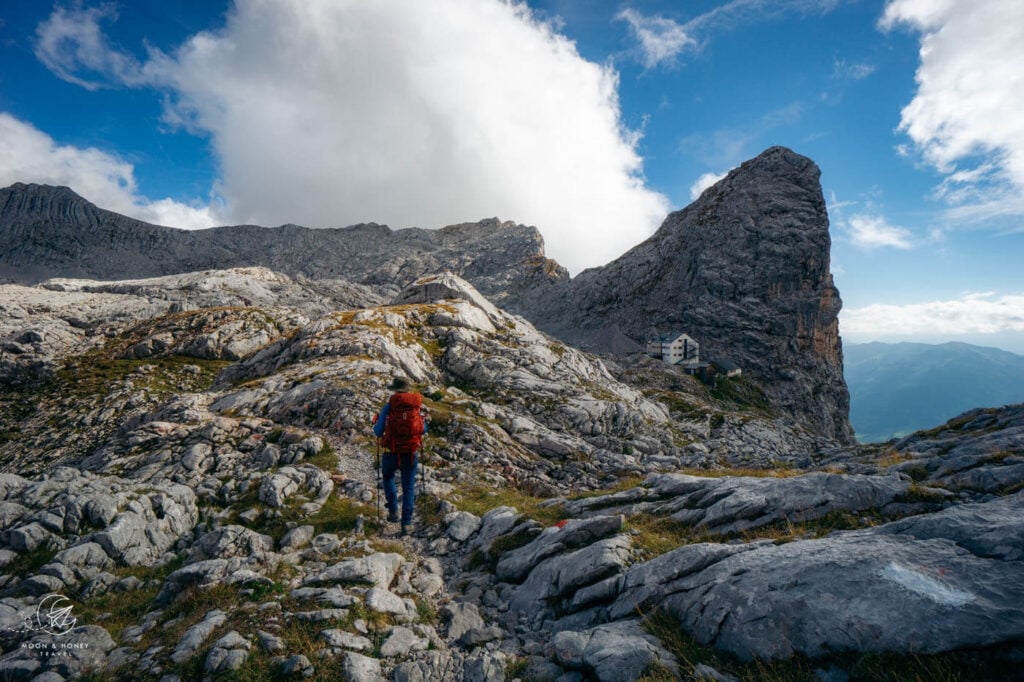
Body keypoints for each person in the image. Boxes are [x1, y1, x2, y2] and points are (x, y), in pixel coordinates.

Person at [372, 376, 427, 536]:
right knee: (408, 487)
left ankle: (394, 511)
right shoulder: (416, 407)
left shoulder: (388, 407)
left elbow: (378, 431)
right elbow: (422, 429)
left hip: (391, 452)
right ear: (408, 389)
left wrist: (375, 423)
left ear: (395, 390)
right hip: (410, 453)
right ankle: (407, 524)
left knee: (388, 478)